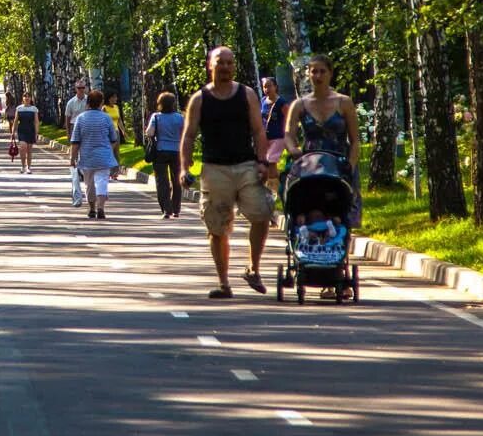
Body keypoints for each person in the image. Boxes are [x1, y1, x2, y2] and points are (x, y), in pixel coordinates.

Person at [178, 46, 274, 299]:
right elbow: (188, 136)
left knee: (262, 214)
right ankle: (224, 284)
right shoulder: (200, 99)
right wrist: (184, 168)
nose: (226, 67)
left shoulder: (247, 94)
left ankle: (253, 268)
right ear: (210, 65)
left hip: (246, 165)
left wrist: (263, 162)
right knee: (218, 228)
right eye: (221, 63)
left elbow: (257, 130)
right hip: (214, 168)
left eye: (230, 63)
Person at [282, 53, 363, 227]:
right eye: (314, 72)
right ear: (308, 74)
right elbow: (288, 134)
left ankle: (342, 249)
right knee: (310, 208)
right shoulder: (300, 104)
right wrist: (293, 149)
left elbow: (355, 140)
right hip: (312, 164)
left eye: (322, 71)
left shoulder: (344, 102)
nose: (318, 76)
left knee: (342, 214)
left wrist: (351, 164)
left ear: (330, 73)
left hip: (340, 163)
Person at [68, 90, 121, 219]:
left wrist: (72, 158)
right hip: (103, 157)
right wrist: (108, 149)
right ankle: (101, 207)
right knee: (102, 181)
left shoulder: (81, 118)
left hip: (87, 157)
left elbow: (75, 141)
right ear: (101, 102)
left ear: (88, 102)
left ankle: (92, 208)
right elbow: (113, 139)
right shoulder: (106, 118)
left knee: (89, 184)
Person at [143, 91, 186, 220]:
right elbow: (185, 133)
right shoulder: (179, 117)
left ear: (160, 104)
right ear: (173, 104)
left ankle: (166, 210)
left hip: (161, 151)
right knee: (177, 181)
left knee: (162, 182)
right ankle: (176, 209)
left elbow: (149, 133)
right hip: (177, 151)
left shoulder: (156, 117)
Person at [12, 93, 40, 173]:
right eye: (25, 96)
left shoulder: (34, 109)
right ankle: (23, 166)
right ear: (23, 98)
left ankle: (29, 167)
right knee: (23, 147)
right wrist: (13, 132)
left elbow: (36, 121)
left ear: (31, 98)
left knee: (29, 150)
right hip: (22, 130)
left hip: (30, 130)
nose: (27, 98)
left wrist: (36, 132)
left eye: (28, 96)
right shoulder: (19, 108)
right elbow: (16, 121)